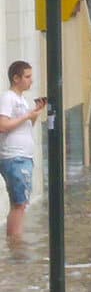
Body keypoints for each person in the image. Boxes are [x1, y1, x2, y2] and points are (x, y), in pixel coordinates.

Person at [0, 61, 46, 243]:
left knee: (21, 203)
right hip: (14, 157)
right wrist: (26, 115)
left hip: (23, 156)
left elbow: (24, 127)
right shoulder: (8, 98)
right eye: (27, 77)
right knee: (19, 204)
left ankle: (16, 241)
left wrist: (33, 115)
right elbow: (3, 125)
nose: (31, 81)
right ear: (16, 78)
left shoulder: (22, 100)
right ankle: (15, 243)